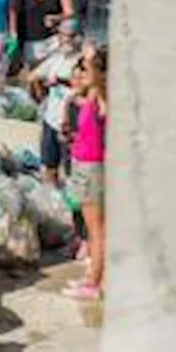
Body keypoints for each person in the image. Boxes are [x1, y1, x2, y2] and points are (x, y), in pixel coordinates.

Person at [63, 54, 107, 301]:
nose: (82, 74)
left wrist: (91, 60)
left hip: (92, 169)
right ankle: (98, 277)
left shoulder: (101, 97)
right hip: (86, 166)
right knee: (97, 230)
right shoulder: (88, 98)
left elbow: (97, 81)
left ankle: (93, 284)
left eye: (87, 71)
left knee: (96, 231)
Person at [29, 19, 83, 185]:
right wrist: (40, 90)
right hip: (50, 119)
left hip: (70, 124)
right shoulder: (56, 58)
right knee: (48, 165)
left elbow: (83, 87)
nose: (66, 40)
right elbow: (33, 76)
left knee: (70, 170)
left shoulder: (81, 62)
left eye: (71, 36)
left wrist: (61, 81)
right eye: (63, 35)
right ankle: (52, 199)